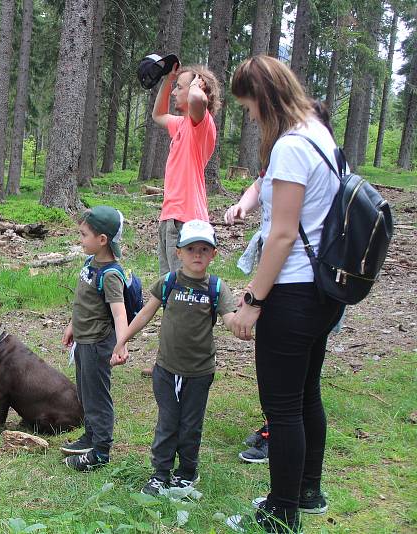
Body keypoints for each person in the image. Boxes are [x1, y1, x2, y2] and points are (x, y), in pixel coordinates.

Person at [225, 56, 344, 533]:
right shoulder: (320, 133)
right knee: (306, 394)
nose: (250, 117)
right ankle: (308, 492)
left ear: (266, 99)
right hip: (323, 290)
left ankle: (280, 512)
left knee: (282, 408)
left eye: (249, 106)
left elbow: (282, 235)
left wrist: (251, 301)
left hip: (292, 293)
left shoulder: (292, 146)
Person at [113, 220, 236, 494]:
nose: (197, 255)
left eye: (204, 249)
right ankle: (160, 473)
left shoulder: (216, 288)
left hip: (199, 372)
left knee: (191, 425)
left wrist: (246, 323)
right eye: (191, 248)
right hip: (166, 370)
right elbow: (145, 313)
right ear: (178, 252)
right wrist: (122, 339)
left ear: (213, 254)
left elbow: (231, 320)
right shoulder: (169, 283)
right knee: (168, 422)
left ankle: (187, 473)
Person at [60, 206, 129, 471]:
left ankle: (101, 451)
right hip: (83, 340)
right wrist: (72, 326)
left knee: (98, 396)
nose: (80, 239)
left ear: (102, 240)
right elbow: (84, 301)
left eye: (83, 234)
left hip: (98, 345)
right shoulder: (91, 263)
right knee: (86, 392)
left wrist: (121, 344)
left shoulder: (110, 274)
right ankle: (90, 436)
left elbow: (119, 312)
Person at [151, 63, 221, 276]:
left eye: (179, 87)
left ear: (197, 87)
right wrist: (169, 79)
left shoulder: (201, 125)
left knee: (184, 287)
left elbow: (197, 100)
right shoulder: (181, 125)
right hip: (170, 217)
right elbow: (158, 114)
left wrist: (195, 84)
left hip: (186, 218)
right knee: (168, 285)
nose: (174, 92)